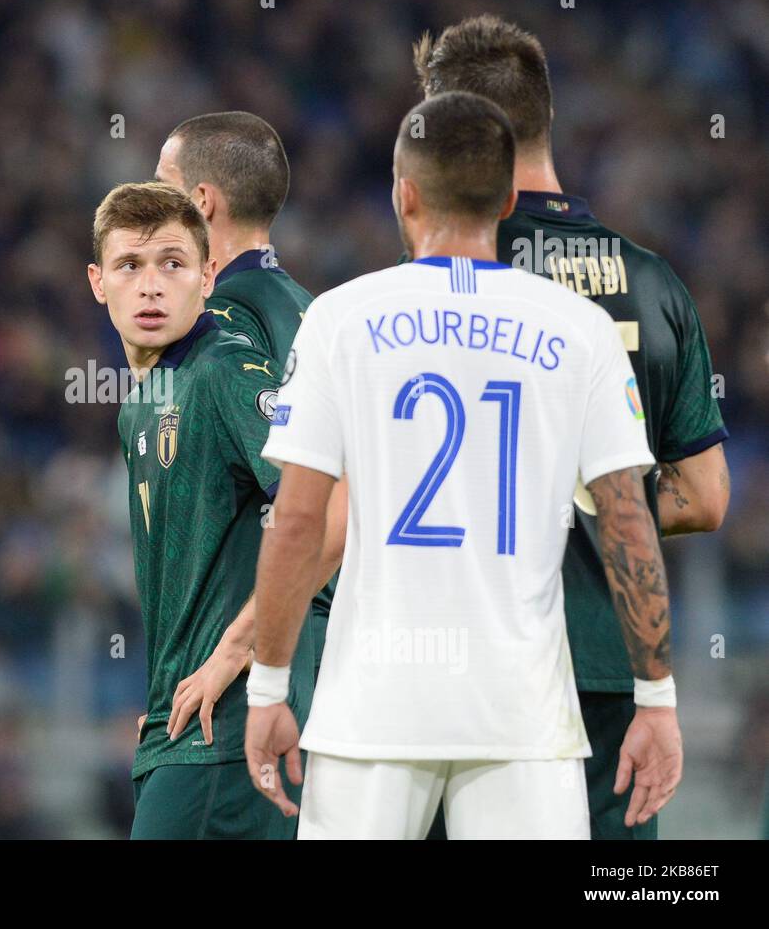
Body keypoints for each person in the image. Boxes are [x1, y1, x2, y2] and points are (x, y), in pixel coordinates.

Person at [244, 92, 679, 839]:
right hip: (522, 719)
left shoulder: (340, 319)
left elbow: (296, 521)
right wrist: (657, 699)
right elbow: (626, 520)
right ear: (509, 197)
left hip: (371, 712)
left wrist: (269, 686)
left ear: (403, 195)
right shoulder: (581, 331)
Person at [413, 14, 729, 839]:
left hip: (470, 672)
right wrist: (590, 500)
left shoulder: (438, 284)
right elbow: (705, 496)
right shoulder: (654, 284)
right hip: (612, 669)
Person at [87, 181, 333, 839]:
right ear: (97, 282)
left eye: (172, 265)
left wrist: (234, 650)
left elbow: (332, 510)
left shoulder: (225, 372)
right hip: (183, 731)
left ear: (208, 277)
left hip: (226, 737)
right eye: (129, 267)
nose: (150, 286)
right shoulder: (143, 401)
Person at [153, 111, 332, 727]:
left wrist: (230, 646)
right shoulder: (316, 311)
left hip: (257, 663)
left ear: (200, 201)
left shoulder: (218, 323)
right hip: (327, 644)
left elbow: (315, 502)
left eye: (160, 184)